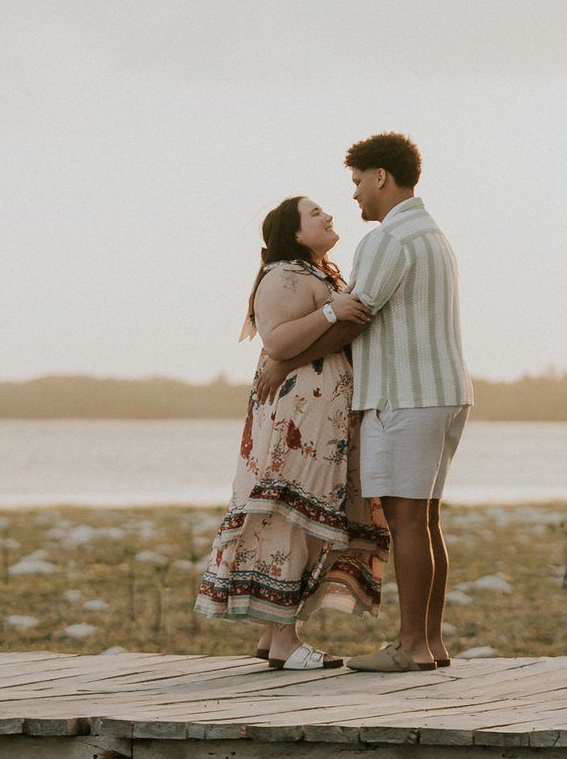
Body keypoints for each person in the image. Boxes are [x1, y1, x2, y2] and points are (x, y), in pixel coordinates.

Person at [256, 133, 471, 672]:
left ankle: (412, 648)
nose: (353, 197)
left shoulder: (388, 240)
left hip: (406, 396)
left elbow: (357, 314)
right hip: (443, 393)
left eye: (356, 182)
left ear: (381, 177)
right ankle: (431, 644)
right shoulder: (432, 234)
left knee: (405, 522)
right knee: (425, 520)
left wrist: (284, 362)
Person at [194, 196, 390, 669]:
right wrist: (331, 313)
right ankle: (284, 640)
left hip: (320, 414)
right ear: (294, 231)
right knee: (292, 515)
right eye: (314, 213)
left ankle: (272, 634)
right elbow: (277, 340)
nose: (327, 215)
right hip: (299, 417)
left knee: (305, 515)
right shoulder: (284, 276)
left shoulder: (316, 274)